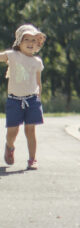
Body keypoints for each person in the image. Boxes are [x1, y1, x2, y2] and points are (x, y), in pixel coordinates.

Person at [2, 24, 46, 170]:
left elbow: (38, 82)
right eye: (26, 39)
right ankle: (9, 146)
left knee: (30, 130)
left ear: (38, 44)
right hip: (14, 100)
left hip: (32, 99)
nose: (30, 43)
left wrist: (38, 98)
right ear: (19, 42)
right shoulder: (12, 55)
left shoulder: (37, 62)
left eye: (34, 40)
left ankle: (32, 159)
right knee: (12, 132)